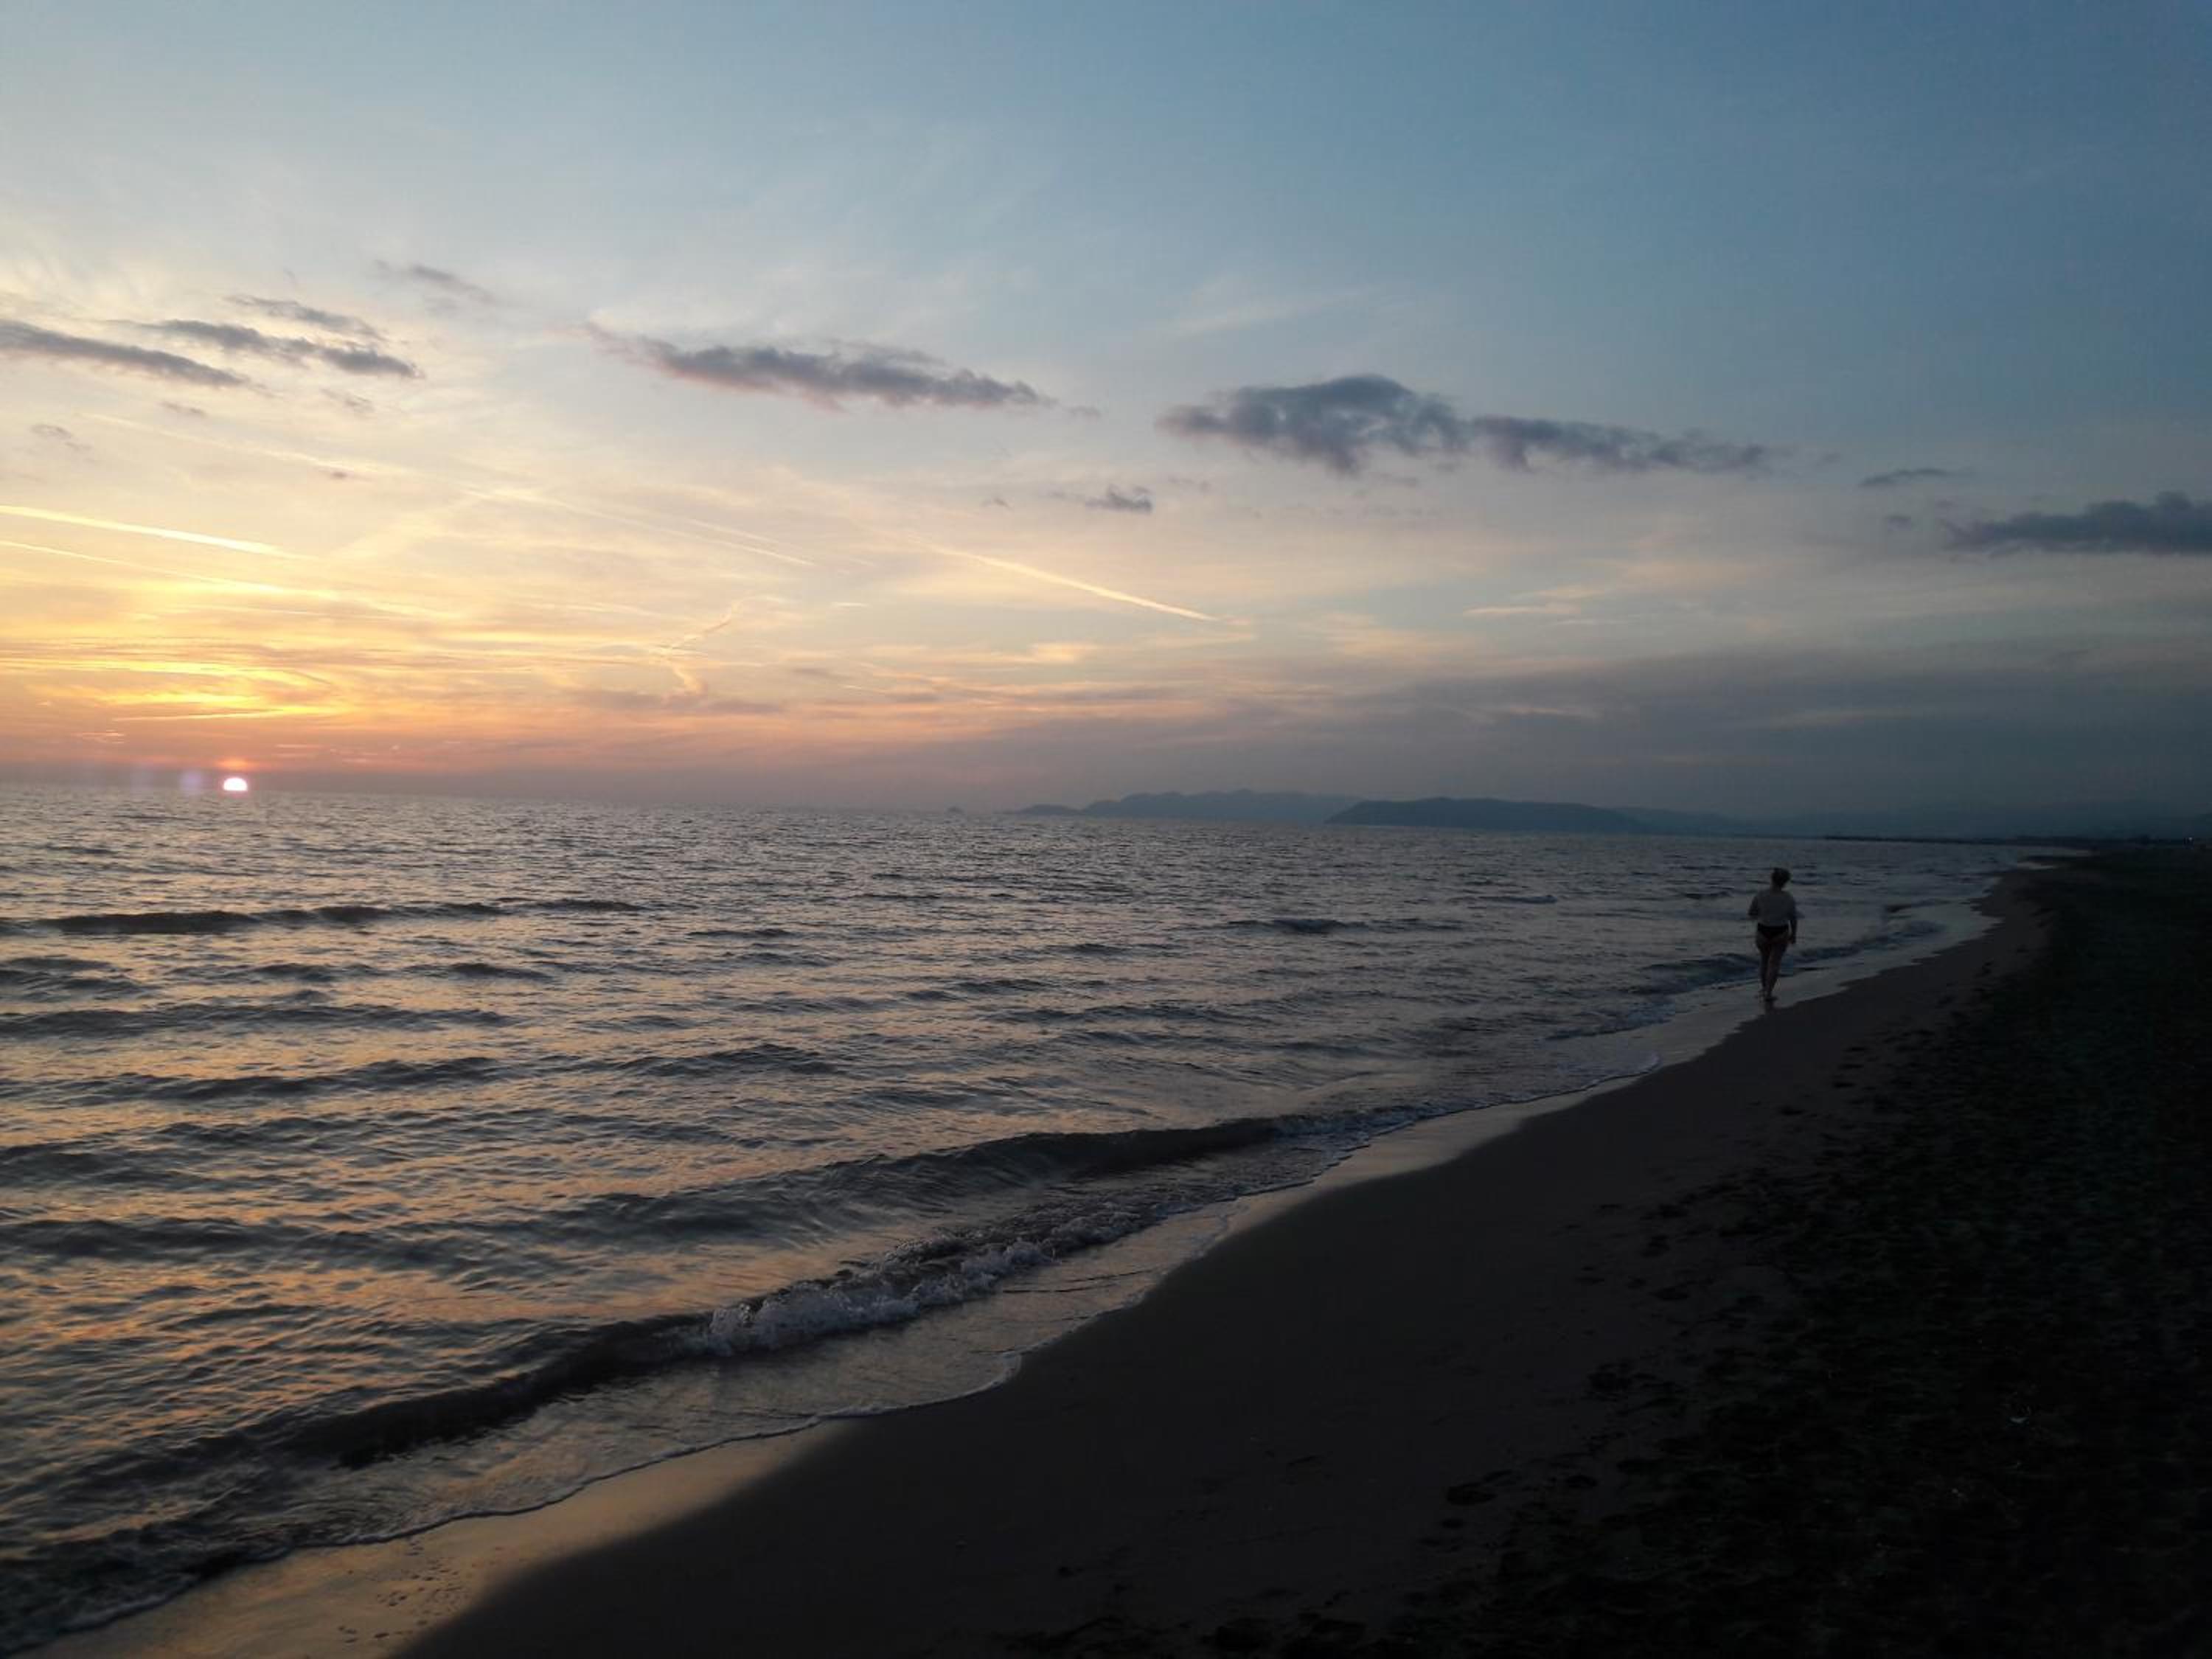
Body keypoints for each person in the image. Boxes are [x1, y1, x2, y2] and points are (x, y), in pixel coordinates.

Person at [1747, 866, 1798, 1006]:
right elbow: (1793, 918)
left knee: (1764, 961)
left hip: (1763, 930)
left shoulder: (1760, 895)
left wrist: (1764, 913)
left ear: (1772, 879)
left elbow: (1751, 913)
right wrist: (1794, 934)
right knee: (1774, 963)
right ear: (1785, 882)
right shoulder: (1788, 898)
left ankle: (1764, 989)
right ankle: (1769, 993)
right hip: (1780, 931)